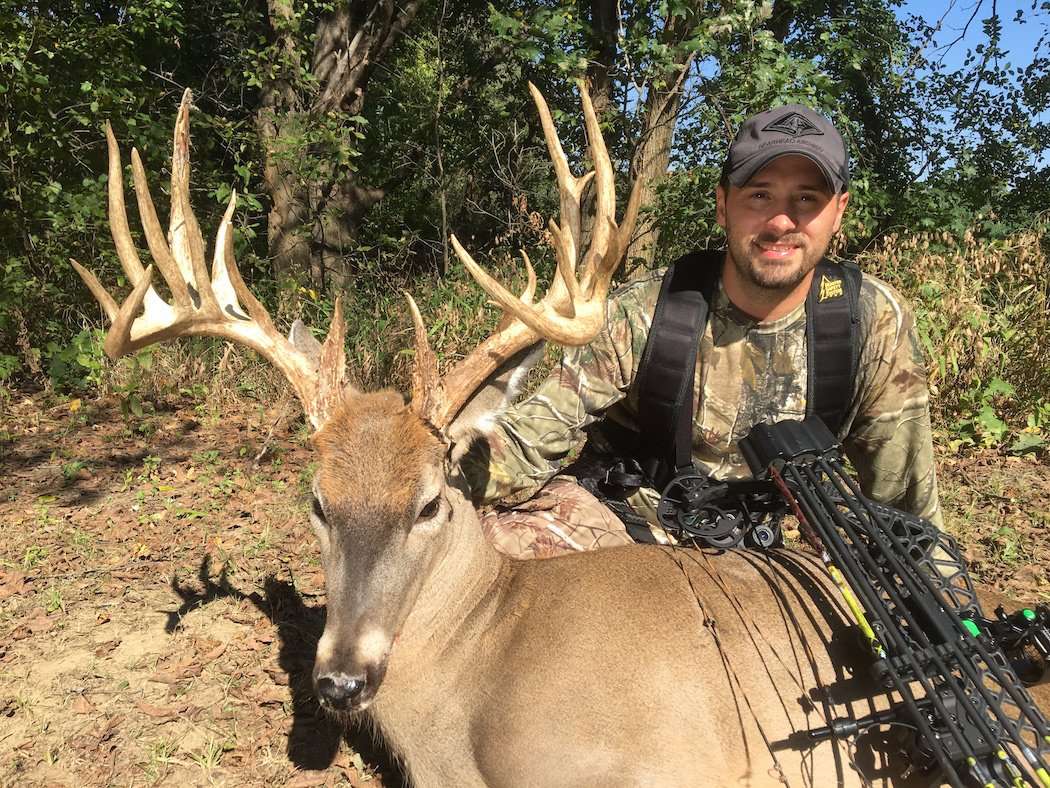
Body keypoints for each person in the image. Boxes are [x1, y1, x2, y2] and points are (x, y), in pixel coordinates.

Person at [459, 104, 941, 560]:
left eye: (806, 199)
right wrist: (435, 475)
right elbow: (529, 441)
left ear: (838, 211)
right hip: (623, 524)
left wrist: (941, 604)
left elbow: (904, 498)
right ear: (722, 205)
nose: (780, 221)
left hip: (764, 549)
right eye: (759, 195)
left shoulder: (870, 320)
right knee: (503, 550)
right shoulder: (648, 312)